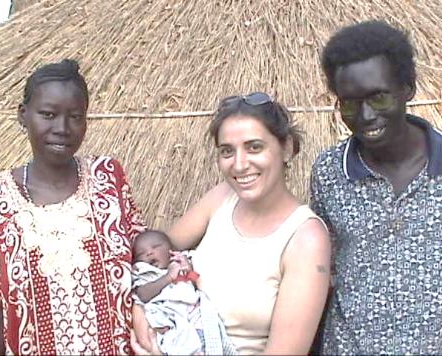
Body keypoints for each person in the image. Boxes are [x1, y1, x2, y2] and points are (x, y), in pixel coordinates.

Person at [311, 20, 442, 355]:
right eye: (350, 103)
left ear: (407, 88)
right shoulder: (329, 173)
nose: (365, 115)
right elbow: (321, 270)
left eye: (378, 98)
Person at [132, 92, 331, 355]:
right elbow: (151, 259)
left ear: (286, 148)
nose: (239, 165)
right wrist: (140, 313)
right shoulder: (222, 198)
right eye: (227, 151)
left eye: (254, 147)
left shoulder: (305, 239)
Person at [0, 59, 146, 355]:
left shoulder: (108, 178)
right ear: (23, 115)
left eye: (75, 116)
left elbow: (143, 263)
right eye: (48, 114)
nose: (62, 128)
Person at [132, 229, 235, 355]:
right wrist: (168, 277)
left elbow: (195, 284)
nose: (149, 253)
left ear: (171, 250)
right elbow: (142, 295)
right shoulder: (145, 274)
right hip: (170, 322)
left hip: (194, 317)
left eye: (156, 246)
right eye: (141, 254)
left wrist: (189, 270)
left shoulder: (180, 263)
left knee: (209, 338)